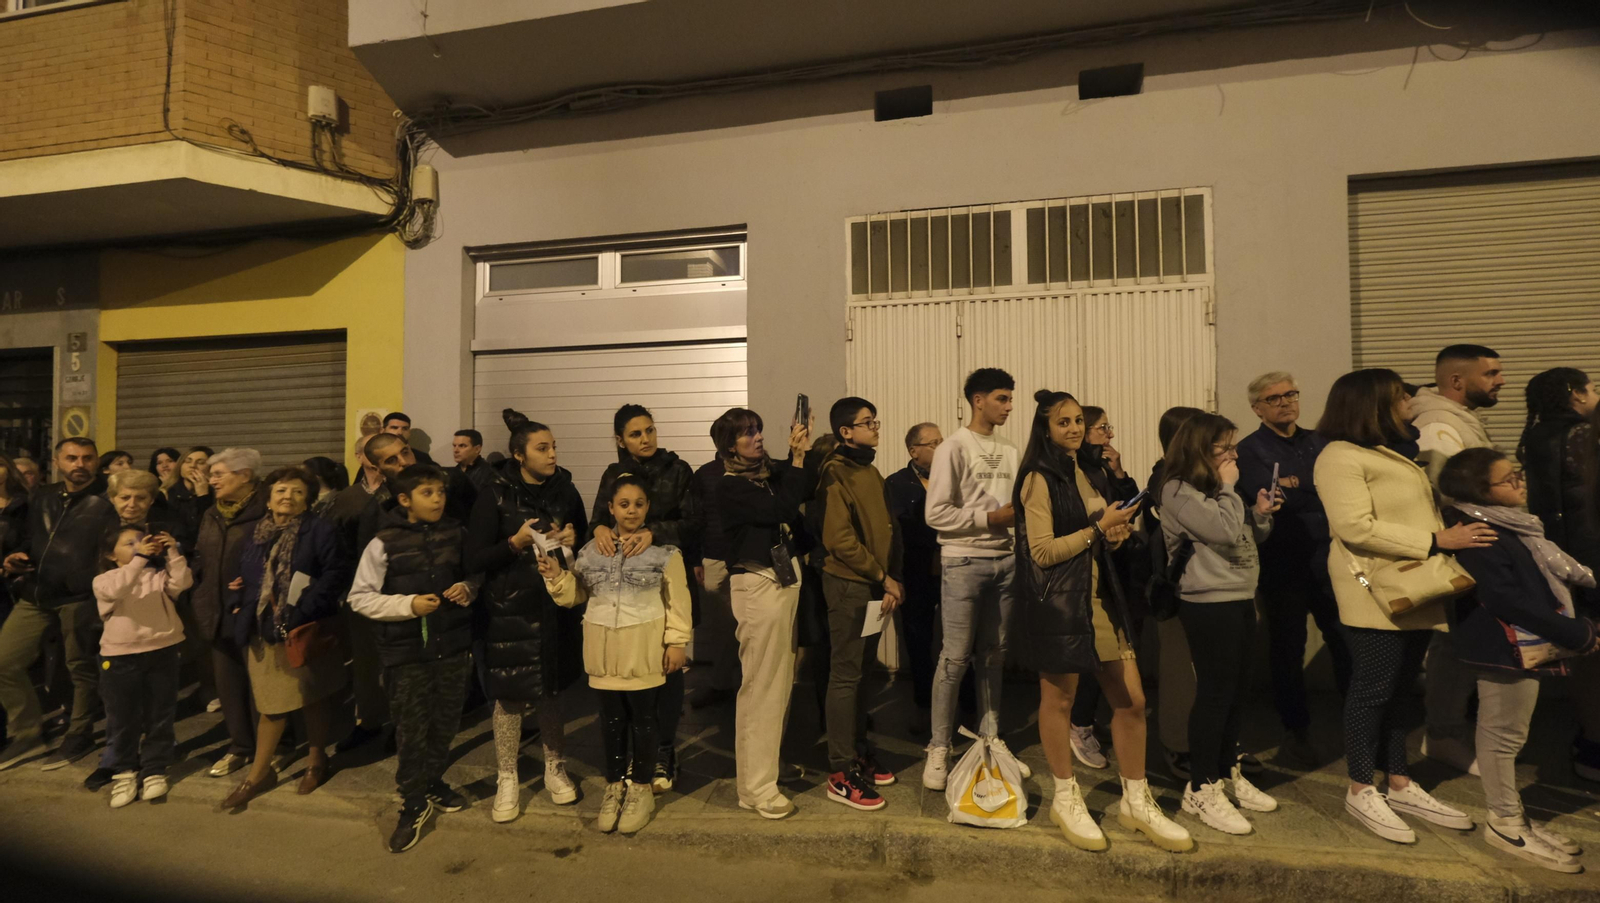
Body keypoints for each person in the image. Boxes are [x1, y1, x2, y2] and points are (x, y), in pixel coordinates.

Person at [1016, 390, 1191, 853]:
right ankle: (1065, 797)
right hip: (1061, 602)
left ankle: (1136, 800)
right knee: (1059, 703)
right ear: (1045, 429)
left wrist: (1113, 534)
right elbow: (1042, 552)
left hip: (1100, 596)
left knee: (1132, 701)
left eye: (1078, 420)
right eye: (1063, 422)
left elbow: (1096, 532)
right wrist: (1097, 528)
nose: (1074, 429)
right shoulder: (1037, 478)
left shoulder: (1085, 469)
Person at [1315, 368, 1482, 844]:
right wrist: (1435, 540)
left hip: (1414, 586)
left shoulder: (1384, 450)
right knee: (1372, 691)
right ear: (1372, 403)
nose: (1412, 401)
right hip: (1376, 589)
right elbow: (1354, 527)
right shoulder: (1339, 456)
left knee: (1402, 689)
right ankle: (1361, 786)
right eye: (1401, 396)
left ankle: (1400, 781)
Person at [1439, 448, 1596, 872]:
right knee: (1502, 737)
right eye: (1509, 478)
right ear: (1479, 490)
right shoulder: (1480, 530)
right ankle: (1505, 823)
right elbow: (1504, 597)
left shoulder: (1508, 524)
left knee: (1508, 735)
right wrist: (1576, 633)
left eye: (1519, 474)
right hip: (1503, 647)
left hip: (1510, 646)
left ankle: (1514, 815)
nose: (1520, 482)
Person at [544, 474, 692, 834]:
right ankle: (614, 786)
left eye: (639, 504)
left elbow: (678, 601)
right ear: (610, 508)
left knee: (644, 719)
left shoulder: (665, 553)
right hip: (603, 653)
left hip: (643, 651)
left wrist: (677, 642)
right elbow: (576, 594)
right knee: (610, 720)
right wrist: (555, 577)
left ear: (648, 508)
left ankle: (641, 790)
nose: (631, 511)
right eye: (623, 504)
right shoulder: (591, 551)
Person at [1159, 412, 1281, 835]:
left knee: (1237, 692)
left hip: (1241, 595)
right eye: (1223, 447)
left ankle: (1228, 772)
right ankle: (1202, 787)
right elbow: (1224, 531)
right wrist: (1231, 487)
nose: (1233, 454)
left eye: (1232, 446)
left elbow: (1246, 534)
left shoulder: (1216, 488)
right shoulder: (1177, 489)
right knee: (1214, 693)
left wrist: (1260, 513)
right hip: (1208, 602)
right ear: (1199, 449)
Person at [348, 464, 479, 853]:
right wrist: (408, 605)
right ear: (405, 500)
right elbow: (360, 596)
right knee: (411, 728)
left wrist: (468, 589)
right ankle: (412, 801)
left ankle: (433, 781)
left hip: (453, 646)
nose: (437, 498)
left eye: (440, 492)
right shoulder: (383, 543)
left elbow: (475, 576)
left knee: (446, 722)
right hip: (405, 652)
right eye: (427, 493)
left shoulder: (457, 532)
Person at [466, 410, 586, 823]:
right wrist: (514, 542)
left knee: (551, 690)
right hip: (508, 611)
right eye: (542, 448)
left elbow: (582, 540)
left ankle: (555, 767)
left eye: (554, 447)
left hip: (554, 605)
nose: (552, 454)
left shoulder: (565, 490)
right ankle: (507, 776)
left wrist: (573, 536)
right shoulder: (493, 494)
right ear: (519, 455)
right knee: (511, 697)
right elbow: (475, 556)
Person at [218, 466, 352, 810]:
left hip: (303, 628)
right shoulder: (257, 533)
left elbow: (335, 573)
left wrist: (302, 610)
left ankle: (314, 760)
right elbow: (239, 575)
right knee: (272, 706)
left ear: (307, 499)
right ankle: (262, 773)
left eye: (296, 492)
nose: (287, 497)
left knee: (313, 696)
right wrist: (236, 602)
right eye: (280, 491)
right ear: (269, 496)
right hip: (262, 631)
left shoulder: (319, 530)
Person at [1234, 372, 1349, 768]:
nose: (1285, 402)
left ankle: (1358, 725)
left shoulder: (1321, 441)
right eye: (1274, 398)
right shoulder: (1249, 450)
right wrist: (1307, 490)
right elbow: (1269, 496)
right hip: (1283, 565)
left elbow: (1340, 491)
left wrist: (1300, 486)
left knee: (1345, 641)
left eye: (1290, 394)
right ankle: (1295, 731)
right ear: (1257, 408)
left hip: (1331, 560)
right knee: (1287, 650)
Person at [922, 368, 1029, 791]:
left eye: (1010, 398)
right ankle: (938, 747)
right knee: (954, 658)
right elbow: (935, 514)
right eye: (1002, 398)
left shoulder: (1010, 449)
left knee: (995, 654)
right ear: (978, 400)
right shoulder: (953, 446)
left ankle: (990, 738)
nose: (1009, 406)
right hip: (963, 562)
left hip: (1005, 562)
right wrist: (990, 518)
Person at [588, 404, 698, 792]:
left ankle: (665, 751)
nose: (645, 439)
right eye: (635, 434)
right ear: (620, 440)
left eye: (649, 430)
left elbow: (692, 524)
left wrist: (655, 531)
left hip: (666, 583)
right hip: (622, 594)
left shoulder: (678, 470)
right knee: (629, 682)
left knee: (668, 670)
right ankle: (637, 756)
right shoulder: (612, 475)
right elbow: (597, 521)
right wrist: (601, 525)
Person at [714, 405, 814, 818]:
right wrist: (798, 459)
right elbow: (781, 511)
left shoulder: (767, 476)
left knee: (779, 686)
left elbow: (796, 499)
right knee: (760, 691)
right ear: (729, 445)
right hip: (759, 587)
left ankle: (767, 769)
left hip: (782, 584)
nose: (757, 437)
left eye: (757, 429)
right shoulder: (729, 486)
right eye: (746, 433)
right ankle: (755, 788)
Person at [1413, 344, 1505, 777]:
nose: (1500, 380)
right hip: (1463, 549)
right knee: (1453, 642)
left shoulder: (1459, 422)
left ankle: (1450, 727)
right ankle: (1443, 733)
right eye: (1489, 374)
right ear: (1456, 381)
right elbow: (1441, 495)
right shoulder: (1438, 426)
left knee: (1462, 641)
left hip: (1478, 544)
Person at [0, 437, 118, 771]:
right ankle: (27, 733)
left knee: (78, 669)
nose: (79, 464)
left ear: (96, 461)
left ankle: (78, 735)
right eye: (71, 458)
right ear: (57, 461)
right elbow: (30, 536)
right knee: (4, 662)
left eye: (87, 458)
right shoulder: (43, 495)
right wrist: (15, 557)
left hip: (80, 596)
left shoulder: (109, 497)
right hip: (36, 594)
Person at [813, 397, 902, 811]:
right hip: (849, 586)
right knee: (845, 676)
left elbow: (886, 526)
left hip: (872, 587)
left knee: (863, 671)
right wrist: (881, 575)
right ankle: (839, 771)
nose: (875, 428)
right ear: (846, 432)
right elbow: (840, 540)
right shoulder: (835, 472)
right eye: (867, 423)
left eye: (875, 421)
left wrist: (887, 580)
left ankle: (859, 751)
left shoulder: (867, 468)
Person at [1518, 367, 1600, 781]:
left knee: (1586, 652)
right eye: (1592, 387)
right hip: (1594, 556)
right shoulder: (1585, 436)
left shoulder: (1535, 437)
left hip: (1563, 561)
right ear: (1574, 392)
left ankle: (1591, 743)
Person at [92, 525, 191, 808]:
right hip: (120, 656)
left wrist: (172, 550)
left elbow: (183, 581)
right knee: (122, 717)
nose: (139, 546)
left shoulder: (158, 576)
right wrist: (140, 558)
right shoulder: (105, 579)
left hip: (162, 651)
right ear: (111, 555)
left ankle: (154, 769)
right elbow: (118, 588)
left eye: (142, 541)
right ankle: (124, 772)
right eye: (129, 543)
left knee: (160, 714)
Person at [1066, 405, 1140, 771]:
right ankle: (1078, 724)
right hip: (1084, 574)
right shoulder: (1072, 473)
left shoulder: (1103, 468)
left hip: (1115, 569)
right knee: (1095, 653)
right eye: (1101, 428)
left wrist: (1120, 472)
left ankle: (1089, 719)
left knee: (1110, 651)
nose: (1108, 434)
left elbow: (1131, 505)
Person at [189, 448, 268, 779]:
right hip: (216, 609)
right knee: (229, 684)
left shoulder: (267, 511)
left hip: (253, 613)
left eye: (219, 473)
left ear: (245, 475)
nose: (212, 479)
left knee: (261, 686)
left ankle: (271, 747)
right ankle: (240, 746)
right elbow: (201, 555)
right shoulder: (213, 512)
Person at [1145, 405, 1206, 782]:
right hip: (1179, 588)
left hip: (1213, 589)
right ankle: (1176, 744)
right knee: (1180, 672)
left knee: (1210, 675)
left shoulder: (1206, 476)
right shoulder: (1165, 480)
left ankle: (1211, 742)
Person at [328, 433, 393, 753]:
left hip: (400, 590)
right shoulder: (347, 498)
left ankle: (400, 726)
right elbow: (335, 546)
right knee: (366, 664)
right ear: (362, 457)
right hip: (361, 591)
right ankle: (369, 721)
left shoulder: (402, 490)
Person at [885, 423, 943, 735]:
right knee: (918, 642)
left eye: (942, 441)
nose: (940, 447)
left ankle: (968, 707)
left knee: (959, 643)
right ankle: (923, 707)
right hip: (915, 573)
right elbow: (892, 534)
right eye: (933, 443)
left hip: (952, 571)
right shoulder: (896, 484)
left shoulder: (955, 479)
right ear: (914, 451)